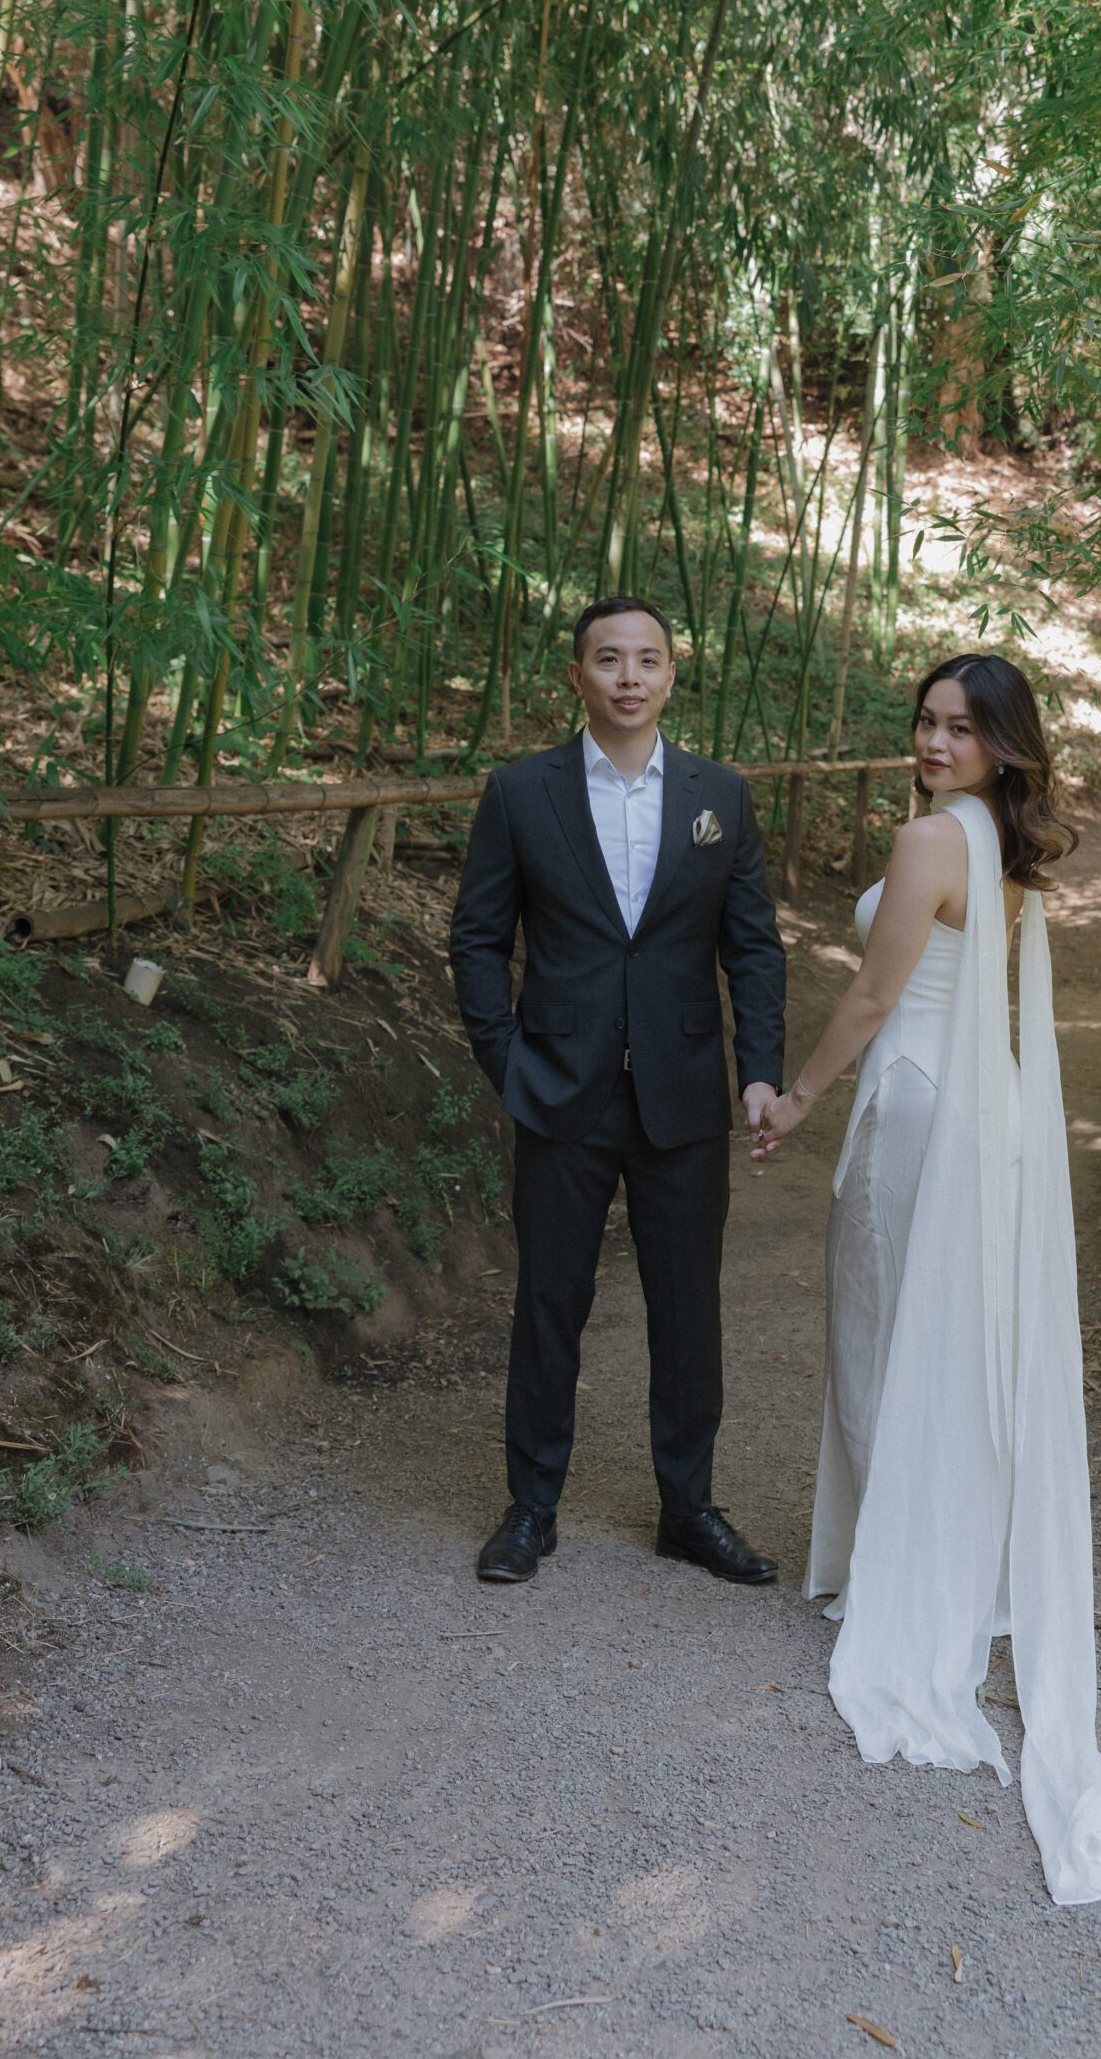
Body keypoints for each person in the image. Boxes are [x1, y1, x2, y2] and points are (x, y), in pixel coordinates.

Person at [753, 654, 1101, 1906]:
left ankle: (898, 1581)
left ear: (1000, 746)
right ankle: (929, 1561)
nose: (933, 744)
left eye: (960, 729)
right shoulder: (1004, 841)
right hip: (974, 1112)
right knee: (937, 1337)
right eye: (926, 724)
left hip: (918, 1101)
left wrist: (796, 1097)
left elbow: (876, 994)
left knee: (882, 1331)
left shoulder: (933, 836)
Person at [449, 597, 787, 1587]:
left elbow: (753, 946)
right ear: (577, 675)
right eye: (609, 659)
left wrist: (757, 1067)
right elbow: (478, 937)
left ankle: (689, 1507)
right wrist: (506, 1058)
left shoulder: (718, 792)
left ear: (672, 674)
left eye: (647, 659)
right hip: (561, 1085)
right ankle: (529, 1507)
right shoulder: (522, 792)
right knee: (551, 1298)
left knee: (688, 1308)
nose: (629, 676)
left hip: (682, 1091)